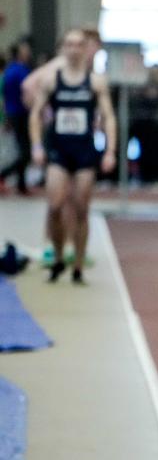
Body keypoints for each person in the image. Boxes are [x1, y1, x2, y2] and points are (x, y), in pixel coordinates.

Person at [29, 29, 116, 284]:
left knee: (81, 208)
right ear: (63, 48)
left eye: (79, 44)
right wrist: (36, 145)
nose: (74, 49)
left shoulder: (96, 81)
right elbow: (35, 114)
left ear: (85, 49)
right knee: (55, 206)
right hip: (58, 150)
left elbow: (109, 116)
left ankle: (77, 264)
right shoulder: (52, 80)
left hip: (84, 152)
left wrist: (110, 150)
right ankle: (57, 257)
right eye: (69, 44)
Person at [1, 38, 33, 194]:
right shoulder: (19, 71)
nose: (29, 53)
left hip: (14, 113)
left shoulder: (10, 70)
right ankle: (4, 174)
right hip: (20, 114)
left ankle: (21, 183)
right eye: (26, 50)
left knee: (21, 150)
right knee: (25, 152)